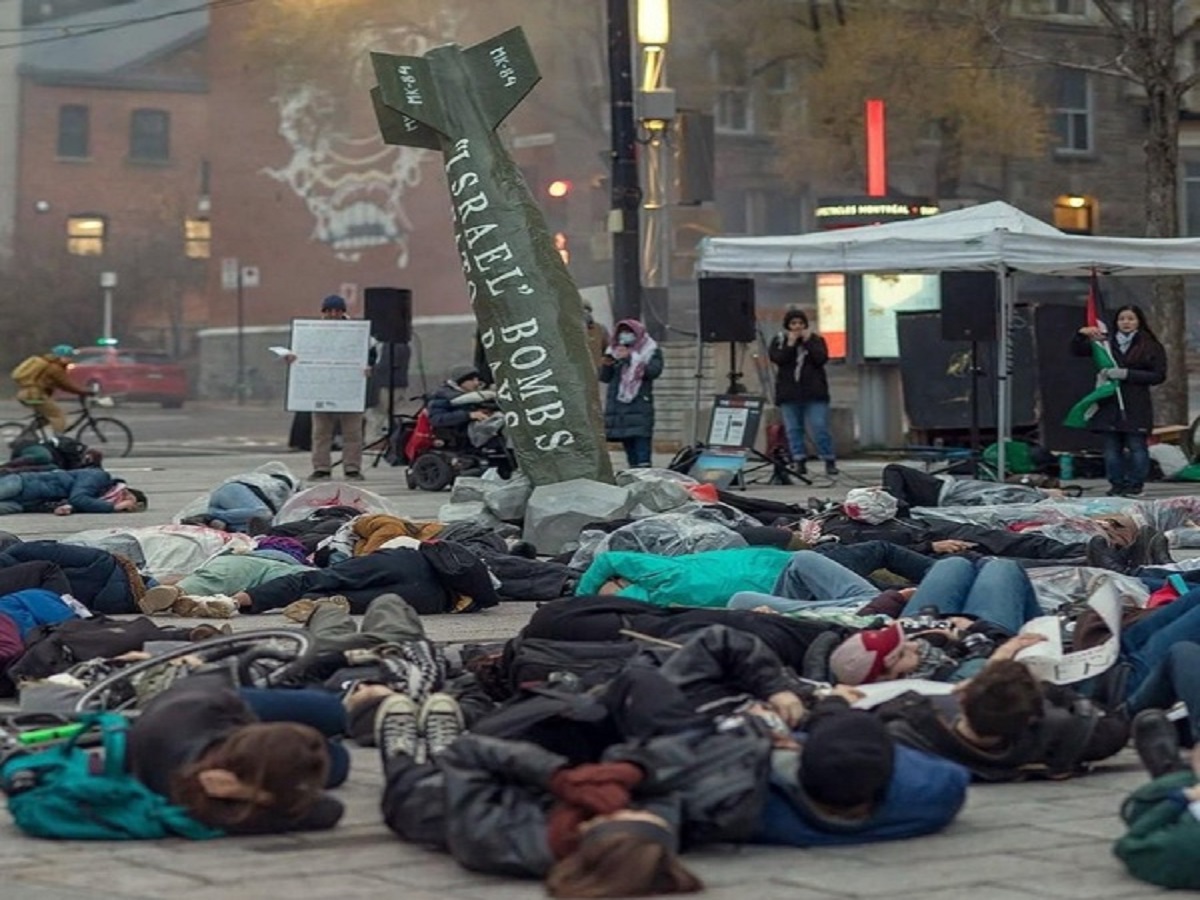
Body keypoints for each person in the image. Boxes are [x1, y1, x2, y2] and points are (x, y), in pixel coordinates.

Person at [127, 674, 347, 835]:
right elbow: (329, 811)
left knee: (330, 711)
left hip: (198, 699)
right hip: (212, 718)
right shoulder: (228, 810)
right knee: (338, 759)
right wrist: (257, 794)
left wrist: (257, 793)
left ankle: (350, 701)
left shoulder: (219, 809)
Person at [1071, 304, 1167, 497]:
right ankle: (1116, 483)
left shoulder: (1150, 345)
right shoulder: (1104, 344)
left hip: (1135, 404)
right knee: (1111, 449)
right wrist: (1081, 335)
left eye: (1131, 319)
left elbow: (1158, 375)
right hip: (1109, 403)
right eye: (1122, 319)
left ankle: (1135, 484)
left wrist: (1127, 374)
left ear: (1139, 321)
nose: (1126, 323)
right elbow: (1078, 350)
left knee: (1136, 447)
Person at [285, 295, 367, 483]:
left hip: (348, 388)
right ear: (324, 312)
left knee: (352, 433)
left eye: (337, 310)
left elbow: (369, 355)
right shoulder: (311, 331)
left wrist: (369, 368)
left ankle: (352, 468)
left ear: (343, 311)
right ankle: (321, 467)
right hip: (322, 388)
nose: (333, 314)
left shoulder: (357, 332)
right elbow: (301, 354)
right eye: (329, 311)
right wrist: (292, 359)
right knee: (321, 432)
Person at [768, 309, 837, 477]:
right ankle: (799, 460)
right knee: (793, 429)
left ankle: (828, 459)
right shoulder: (779, 341)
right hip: (789, 393)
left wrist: (808, 343)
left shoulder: (816, 340)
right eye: (793, 324)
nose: (797, 327)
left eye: (800, 323)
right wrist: (790, 345)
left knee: (819, 426)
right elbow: (779, 359)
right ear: (788, 326)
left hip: (814, 393)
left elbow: (821, 359)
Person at [599, 319, 663, 468]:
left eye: (629, 332)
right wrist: (608, 363)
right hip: (619, 408)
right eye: (622, 332)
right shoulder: (613, 350)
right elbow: (604, 378)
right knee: (629, 450)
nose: (625, 336)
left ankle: (645, 477)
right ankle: (633, 475)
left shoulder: (650, 350)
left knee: (642, 449)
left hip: (639, 404)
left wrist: (631, 359)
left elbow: (653, 371)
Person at [10, 344, 93, 435]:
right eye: (69, 357)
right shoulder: (54, 368)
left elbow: (62, 385)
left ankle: (27, 435)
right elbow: (66, 384)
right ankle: (58, 440)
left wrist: (80, 391)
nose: (71, 360)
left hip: (28, 394)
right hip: (34, 395)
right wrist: (85, 391)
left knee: (46, 418)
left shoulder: (50, 365)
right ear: (62, 356)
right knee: (58, 415)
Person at [0, 468, 146, 516]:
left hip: (26, 504)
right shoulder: (99, 477)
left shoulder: (96, 500)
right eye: (126, 502)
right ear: (125, 492)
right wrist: (112, 508)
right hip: (22, 484)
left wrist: (66, 508)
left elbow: (76, 502)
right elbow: (78, 497)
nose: (123, 506)